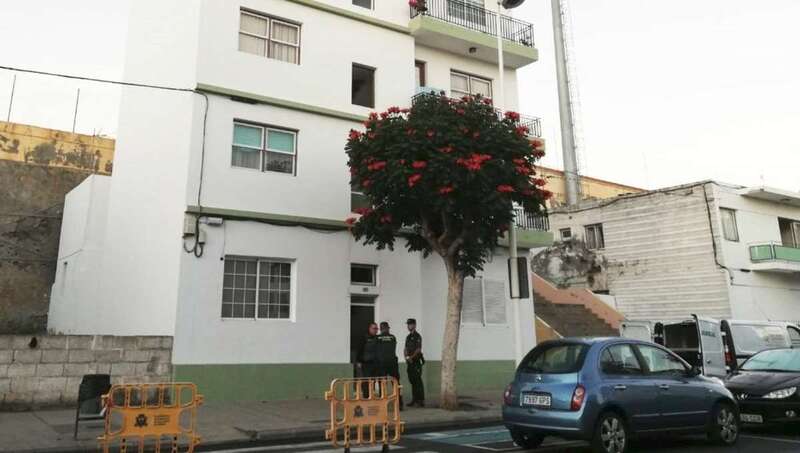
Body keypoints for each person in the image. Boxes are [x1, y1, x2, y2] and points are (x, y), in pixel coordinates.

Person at [376, 322, 403, 410]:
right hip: (392, 363)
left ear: (380, 329)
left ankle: (382, 404)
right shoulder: (392, 337)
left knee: (382, 384)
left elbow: (377, 350)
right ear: (388, 328)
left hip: (382, 363)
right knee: (395, 383)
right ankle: (399, 404)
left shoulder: (378, 338)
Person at [405, 318, 425, 407]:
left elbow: (418, 349)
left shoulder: (418, 336)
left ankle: (421, 400)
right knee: (412, 380)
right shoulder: (408, 337)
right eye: (408, 324)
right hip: (410, 362)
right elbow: (405, 348)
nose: (408, 326)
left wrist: (411, 357)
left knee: (418, 381)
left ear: (414, 325)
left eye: (410, 324)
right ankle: (414, 399)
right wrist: (406, 357)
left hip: (416, 361)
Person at [356, 322, 379, 397]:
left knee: (373, 381)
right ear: (369, 329)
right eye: (374, 328)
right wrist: (359, 361)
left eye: (376, 328)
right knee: (366, 381)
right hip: (366, 364)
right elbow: (359, 349)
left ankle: (371, 396)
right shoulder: (364, 337)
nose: (376, 330)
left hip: (375, 363)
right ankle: (366, 397)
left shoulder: (378, 338)